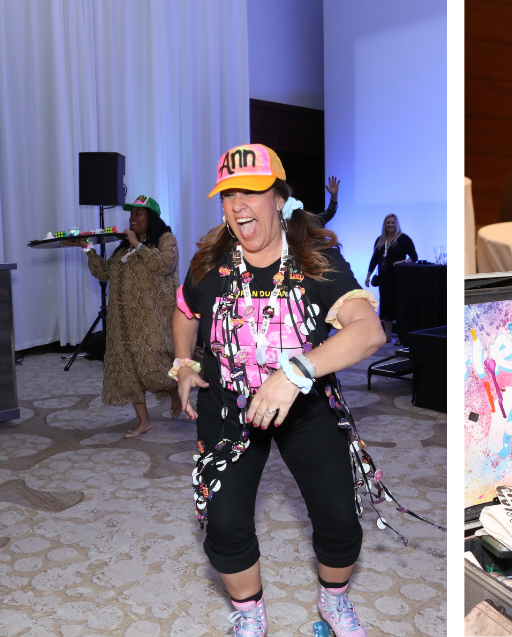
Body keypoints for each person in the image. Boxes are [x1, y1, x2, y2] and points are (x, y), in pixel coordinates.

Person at [173, 143, 385, 636]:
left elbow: (368, 330)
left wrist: (294, 373)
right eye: (228, 194)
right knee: (222, 522)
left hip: (305, 404)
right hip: (228, 404)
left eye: (251, 191)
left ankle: (334, 601)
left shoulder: (316, 259)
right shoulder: (211, 261)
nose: (238, 204)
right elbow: (186, 310)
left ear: (279, 198)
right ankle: (249, 614)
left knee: (338, 518)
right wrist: (183, 363)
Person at [66, 195, 182, 437]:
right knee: (127, 369)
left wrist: (139, 246)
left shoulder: (165, 239)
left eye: (139, 214)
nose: (133, 218)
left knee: (157, 365)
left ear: (152, 217)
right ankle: (144, 421)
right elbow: (104, 272)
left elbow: (165, 266)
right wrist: (87, 248)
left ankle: (175, 393)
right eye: (131, 214)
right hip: (122, 323)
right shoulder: (124, 246)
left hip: (153, 321)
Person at [363, 213, 417, 344]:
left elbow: (414, 257)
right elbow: (374, 258)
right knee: (386, 306)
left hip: (399, 277)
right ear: (384, 225)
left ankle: (400, 336)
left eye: (393, 222)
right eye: (388, 223)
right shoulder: (380, 240)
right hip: (384, 277)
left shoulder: (404, 239)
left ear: (396, 224)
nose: (390, 225)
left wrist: (403, 262)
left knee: (398, 305)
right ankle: (387, 336)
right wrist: (368, 275)